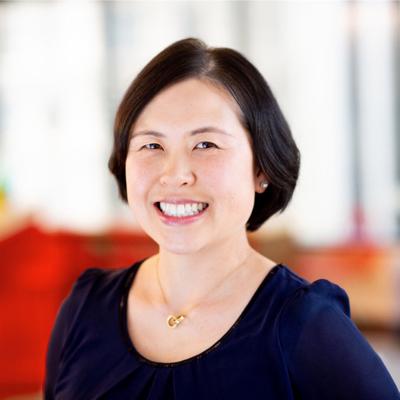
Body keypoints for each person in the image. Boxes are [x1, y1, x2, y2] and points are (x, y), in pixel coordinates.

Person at [44, 38, 400, 399]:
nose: (175, 175)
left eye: (206, 145)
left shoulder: (305, 323)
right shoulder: (85, 309)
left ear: (261, 168)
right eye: (152, 145)